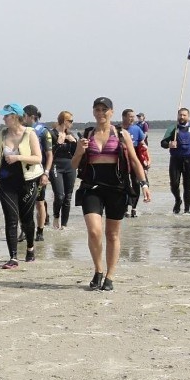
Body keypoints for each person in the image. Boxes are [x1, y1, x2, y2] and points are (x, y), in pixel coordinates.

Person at [72, 97, 150, 291]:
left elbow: (134, 160)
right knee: (94, 230)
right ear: (93, 112)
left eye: (104, 109)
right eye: (97, 109)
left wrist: (144, 184)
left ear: (112, 112)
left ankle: (110, 275)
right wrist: (79, 152)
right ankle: (98, 270)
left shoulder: (121, 134)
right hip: (92, 187)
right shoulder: (87, 134)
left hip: (116, 188)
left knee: (112, 234)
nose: (101, 113)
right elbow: (73, 166)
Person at [0, 103, 43, 268]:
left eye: (6, 115)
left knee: (27, 219)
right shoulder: (2, 134)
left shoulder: (29, 133)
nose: (3, 118)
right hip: (6, 183)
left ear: (15, 117)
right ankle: (13, 257)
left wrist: (18, 158)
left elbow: (38, 158)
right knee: (11, 219)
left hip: (27, 182)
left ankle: (30, 248)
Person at [160, 107, 190, 214]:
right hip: (175, 160)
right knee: (174, 184)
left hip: (189, 160)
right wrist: (169, 144)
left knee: (187, 186)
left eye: (184, 115)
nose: (182, 117)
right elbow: (163, 143)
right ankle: (177, 200)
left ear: (188, 116)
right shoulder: (173, 128)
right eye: (180, 115)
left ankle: (187, 210)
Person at [21, 105, 53, 241]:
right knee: (22, 203)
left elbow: (50, 155)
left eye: (24, 116)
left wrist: (46, 173)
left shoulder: (43, 132)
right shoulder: (21, 130)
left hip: (39, 172)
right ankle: (23, 230)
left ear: (31, 116)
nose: (22, 118)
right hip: (23, 173)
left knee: (39, 203)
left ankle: (40, 231)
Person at [48, 111, 78, 230]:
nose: (71, 123)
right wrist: (58, 144)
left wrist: (75, 142)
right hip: (56, 166)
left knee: (68, 197)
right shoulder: (52, 134)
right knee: (60, 195)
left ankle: (64, 225)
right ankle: (56, 217)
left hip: (70, 166)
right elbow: (48, 152)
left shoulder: (71, 135)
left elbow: (77, 153)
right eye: (70, 121)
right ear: (63, 121)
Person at [120, 108, 147, 218]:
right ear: (124, 117)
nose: (132, 118)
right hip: (122, 159)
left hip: (134, 158)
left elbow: (142, 143)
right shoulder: (118, 129)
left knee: (136, 183)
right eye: (130, 116)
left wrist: (146, 158)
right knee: (124, 183)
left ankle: (134, 208)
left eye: (133, 116)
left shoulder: (136, 129)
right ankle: (125, 207)